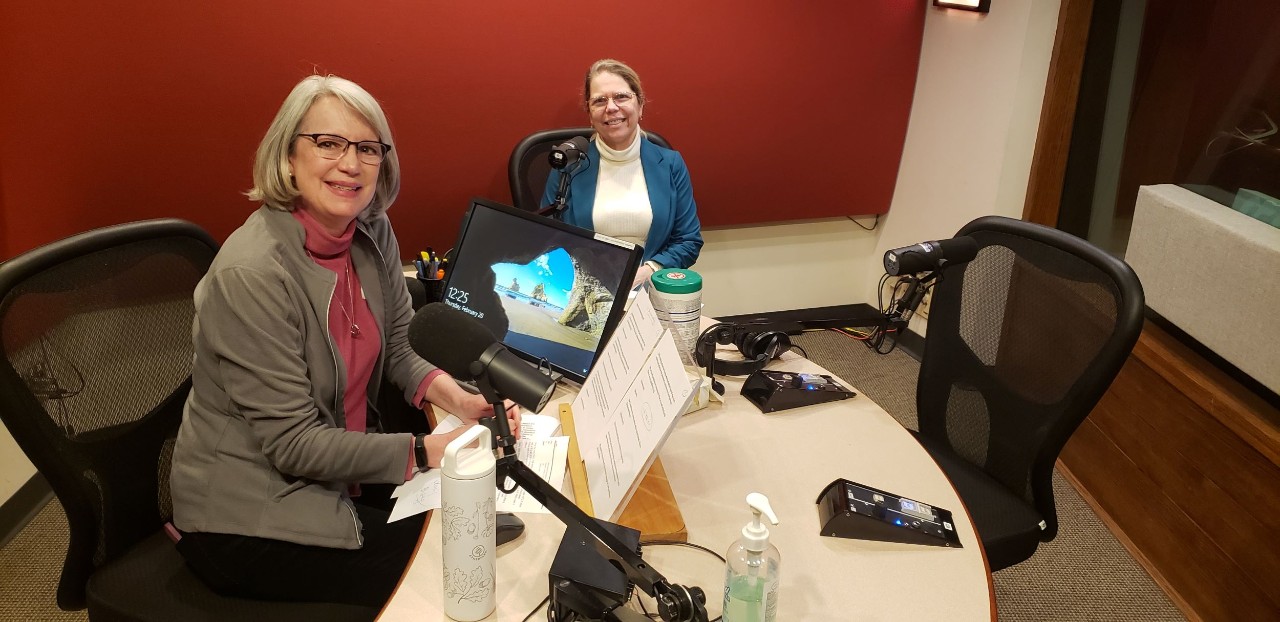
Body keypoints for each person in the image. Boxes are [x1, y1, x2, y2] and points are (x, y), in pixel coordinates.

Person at [169, 74, 519, 608]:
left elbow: (401, 344)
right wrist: (429, 450)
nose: (350, 164)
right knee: (450, 567)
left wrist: (463, 403)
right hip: (250, 511)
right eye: (327, 143)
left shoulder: (370, 228)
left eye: (367, 148)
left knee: (479, 525)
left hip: (338, 469)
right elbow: (293, 443)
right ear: (288, 157)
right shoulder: (252, 274)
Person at [543, 58, 703, 288]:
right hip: (583, 286)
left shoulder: (670, 164)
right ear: (589, 113)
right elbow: (546, 234)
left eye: (621, 97)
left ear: (640, 105)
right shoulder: (569, 164)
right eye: (599, 100)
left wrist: (649, 271)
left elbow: (688, 240)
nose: (611, 107)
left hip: (650, 285)